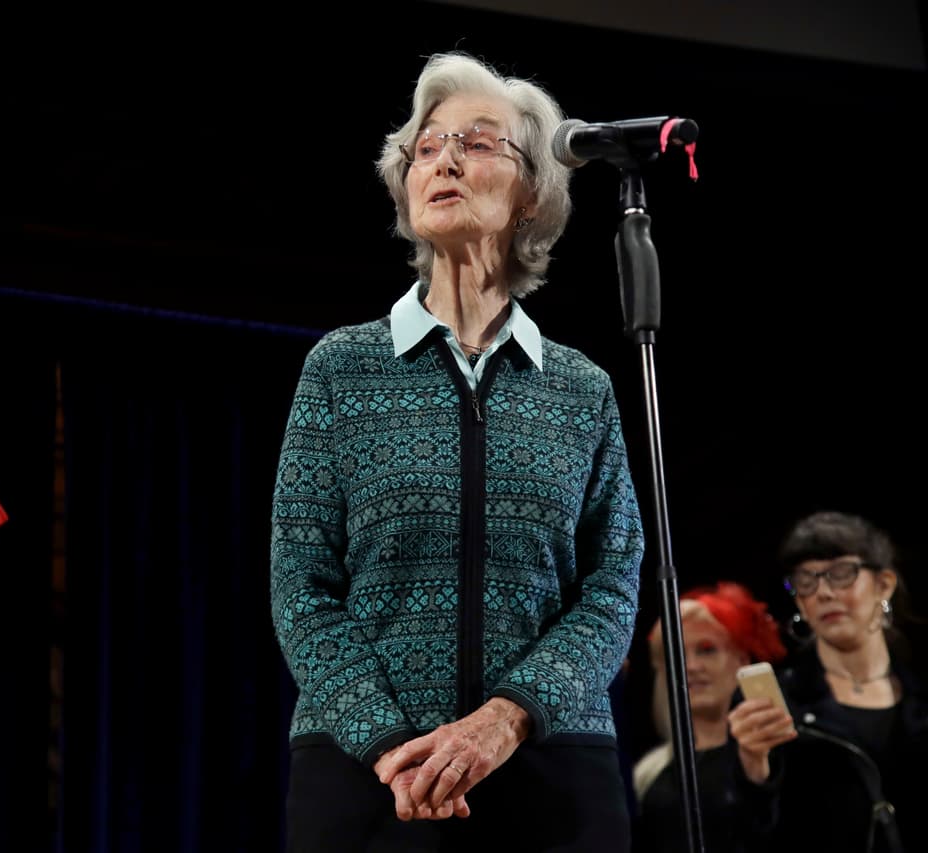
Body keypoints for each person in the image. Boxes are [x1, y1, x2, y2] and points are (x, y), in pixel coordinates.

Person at [269, 50, 645, 852]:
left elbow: (614, 585)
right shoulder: (341, 368)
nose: (443, 160)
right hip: (371, 778)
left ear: (532, 191)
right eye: (426, 146)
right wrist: (387, 745)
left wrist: (505, 720)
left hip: (553, 773)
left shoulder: (583, 388)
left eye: (476, 143)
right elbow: (300, 582)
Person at [727, 511, 927, 852]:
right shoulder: (779, 701)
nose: (823, 592)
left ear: (884, 584)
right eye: (806, 580)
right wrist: (753, 766)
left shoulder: (920, 693)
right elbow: (751, 830)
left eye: (842, 574)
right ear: (799, 601)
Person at [631, 582, 786, 853]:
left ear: (741, 660)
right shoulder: (647, 774)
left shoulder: (777, 761)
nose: (690, 666)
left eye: (706, 649)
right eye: (676, 655)